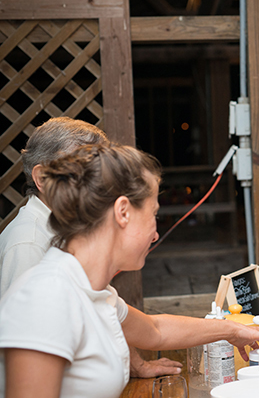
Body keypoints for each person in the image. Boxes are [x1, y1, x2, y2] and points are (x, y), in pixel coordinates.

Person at [0, 143, 259, 398]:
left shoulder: (93, 290)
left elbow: (156, 330)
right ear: (123, 212)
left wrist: (233, 331)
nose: (155, 234)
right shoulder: (45, 298)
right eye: (153, 213)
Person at [0, 117, 182, 379]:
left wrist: (137, 365)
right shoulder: (28, 243)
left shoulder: (73, 231)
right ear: (41, 178)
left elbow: (113, 315)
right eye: (82, 170)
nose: (101, 181)